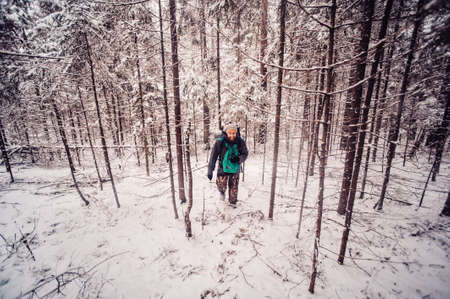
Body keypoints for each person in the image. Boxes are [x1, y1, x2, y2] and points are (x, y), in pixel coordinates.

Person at [207, 123, 248, 207]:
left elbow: (245, 153)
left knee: (234, 188)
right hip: (223, 168)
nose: (232, 135)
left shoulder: (240, 141)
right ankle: (222, 193)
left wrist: (239, 159)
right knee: (221, 185)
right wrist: (210, 170)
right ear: (226, 133)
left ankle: (232, 203)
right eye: (230, 133)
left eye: (234, 133)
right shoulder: (220, 142)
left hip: (235, 167)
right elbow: (213, 156)